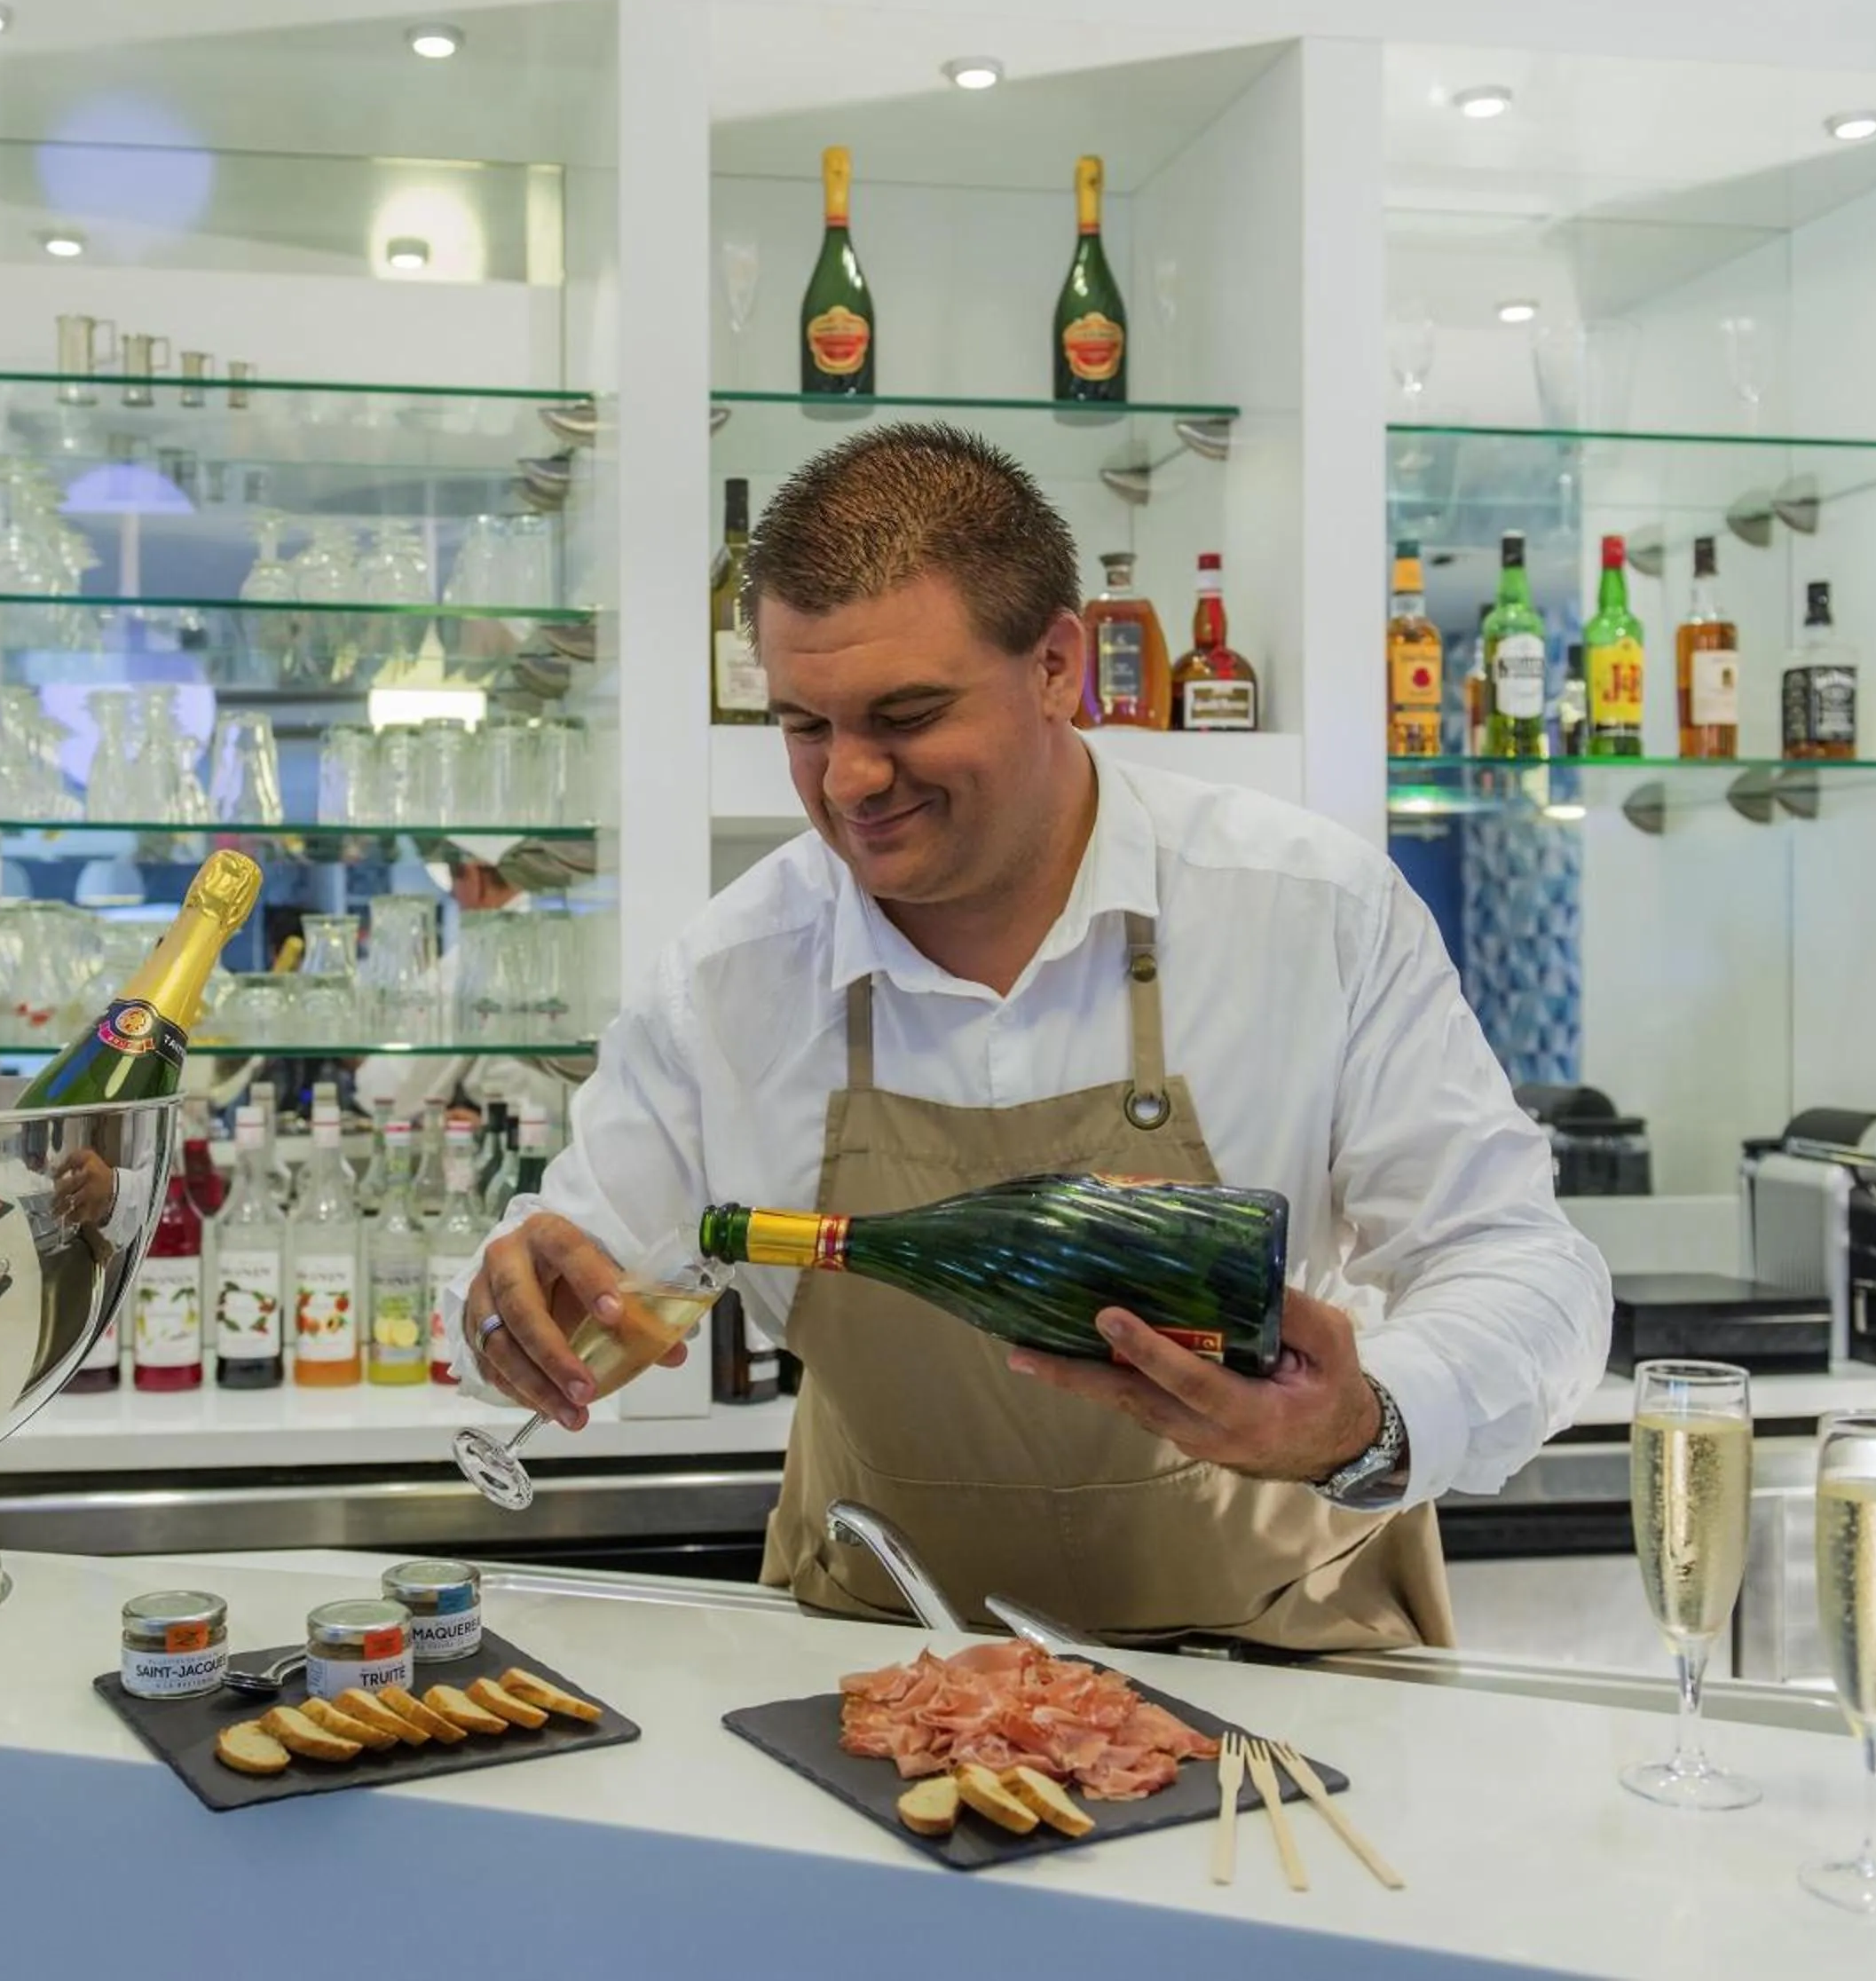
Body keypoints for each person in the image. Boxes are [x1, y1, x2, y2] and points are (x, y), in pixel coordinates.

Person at [453, 423, 1610, 1651]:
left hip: (1282, 1669)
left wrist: (1364, 1420)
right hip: (887, 1677)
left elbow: (1529, 1271)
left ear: (1060, 663)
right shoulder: (727, 983)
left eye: (905, 712)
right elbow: (577, 1279)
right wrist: (507, 1319)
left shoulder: (1310, 910)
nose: (849, 779)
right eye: (804, 724)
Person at [353, 837, 579, 1125]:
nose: (456, 899)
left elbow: (392, 1092)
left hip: (515, 1139)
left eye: (454, 886)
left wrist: (358, 1065)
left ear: (472, 877)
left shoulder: (476, 958)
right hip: (567, 1135)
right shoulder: (559, 940)